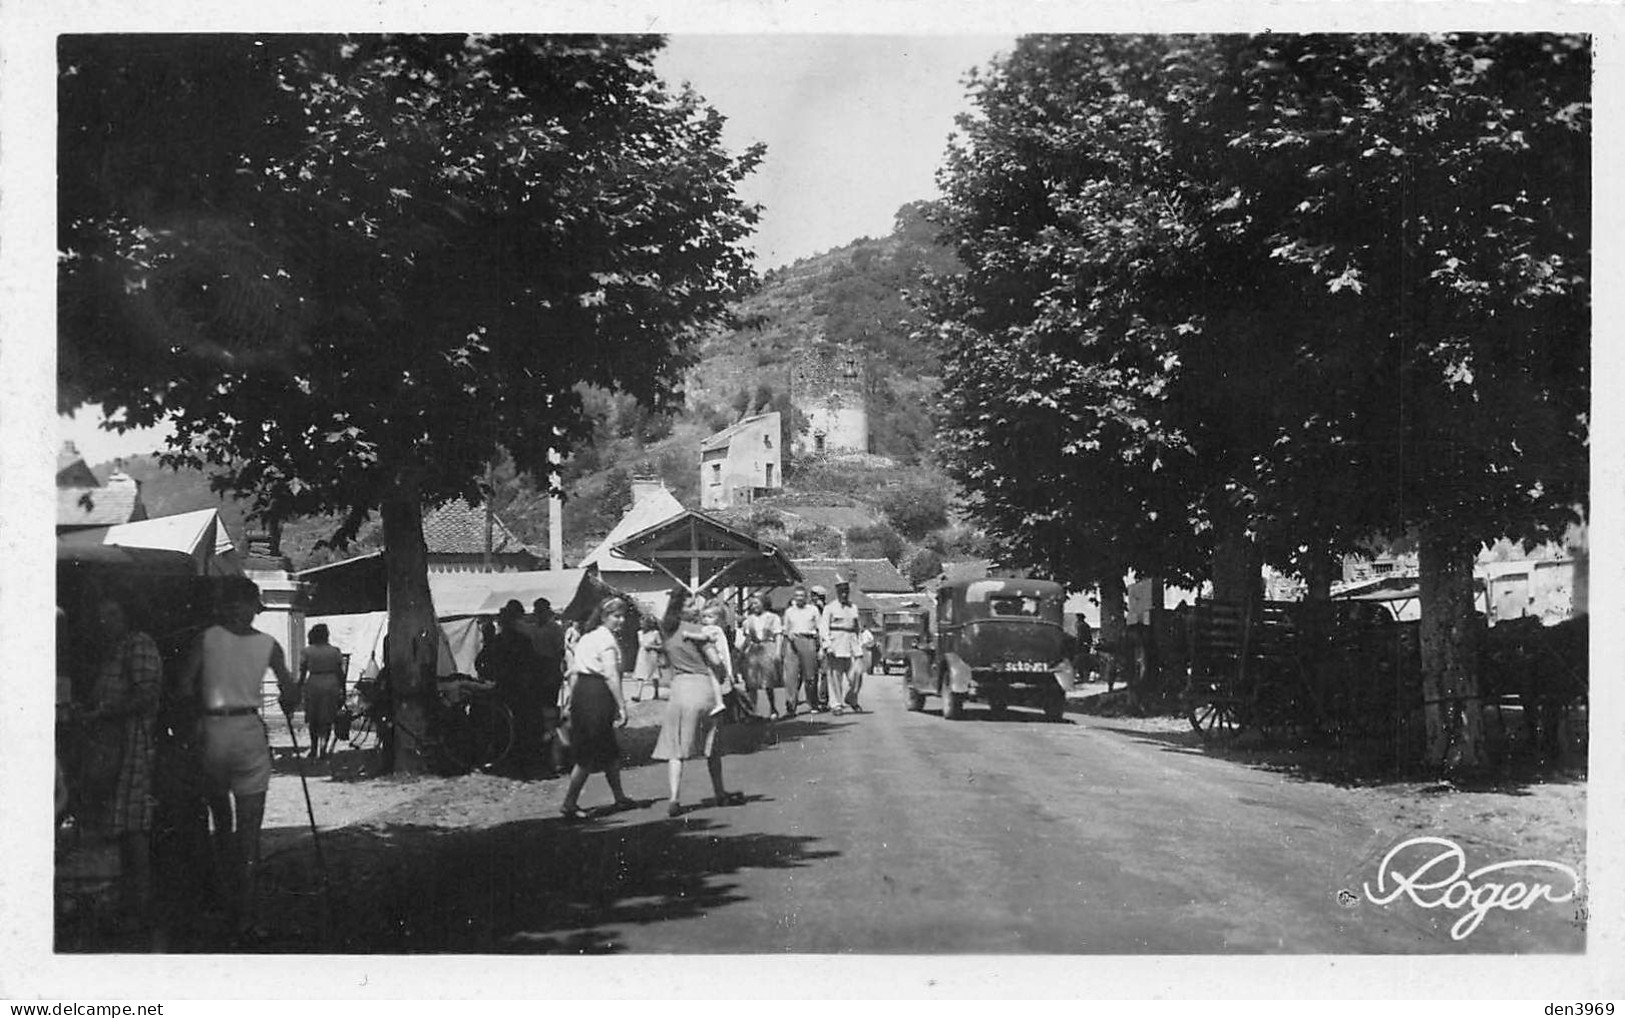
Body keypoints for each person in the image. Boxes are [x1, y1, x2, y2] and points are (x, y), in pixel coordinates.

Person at [175, 576, 298, 940]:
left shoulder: (206, 638)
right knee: (249, 835)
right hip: (247, 732)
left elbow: (182, 686)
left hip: (213, 730)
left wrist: (198, 711)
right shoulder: (269, 644)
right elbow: (290, 694)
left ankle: (216, 896)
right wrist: (290, 700)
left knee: (220, 824)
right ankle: (244, 916)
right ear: (254, 608)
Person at [81, 596, 164, 931]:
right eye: (101, 617)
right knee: (117, 824)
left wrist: (104, 712)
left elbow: (147, 696)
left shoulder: (139, 644)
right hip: (111, 744)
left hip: (133, 743)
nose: (106, 622)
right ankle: (121, 901)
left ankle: (139, 908)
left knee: (134, 827)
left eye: (112, 614)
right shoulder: (115, 649)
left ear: (127, 615)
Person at [651, 589, 745, 817]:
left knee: (676, 750)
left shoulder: (668, 633)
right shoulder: (698, 631)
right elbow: (714, 660)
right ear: (681, 609)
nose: (697, 608)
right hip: (703, 688)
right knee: (713, 748)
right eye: (692, 604)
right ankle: (719, 792)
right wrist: (723, 671)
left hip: (679, 690)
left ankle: (674, 797)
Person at [557, 597, 638, 820]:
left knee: (608, 748)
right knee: (589, 750)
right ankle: (569, 802)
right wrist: (622, 706)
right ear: (604, 616)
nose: (620, 621)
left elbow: (573, 671)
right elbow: (611, 675)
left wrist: (573, 701)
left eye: (623, 616)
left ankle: (619, 796)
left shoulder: (588, 637)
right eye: (616, 616)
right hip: (596, 693)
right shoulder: (605, 641)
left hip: (584, 691)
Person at [487, 600, 546, 775]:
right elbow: (533, 665)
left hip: (504, 687)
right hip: (522, 688)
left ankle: (505, 759)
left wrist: (491, 674)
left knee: (504, 725)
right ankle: (523, 761)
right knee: (523, 725)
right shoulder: (523, 640)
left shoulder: (497, 641)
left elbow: (481, 662)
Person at [298, 624, 346, 760]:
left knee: (313, 718)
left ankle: (313, 748)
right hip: (331, 683)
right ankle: (323, 748)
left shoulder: (307, 651)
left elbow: (302, 673)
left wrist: (298, 688)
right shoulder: (335, 651)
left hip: (313, 683)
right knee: (327, 718)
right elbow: (340, 673)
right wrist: (343, 689)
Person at [736, 593, 785, 720]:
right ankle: (752, 710)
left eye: (756, 603)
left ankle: (773, 707)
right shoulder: (749, 620)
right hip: (753, 649)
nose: (754, 606)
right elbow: (747, 638)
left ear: (764, 603)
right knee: (751, 681)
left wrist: (778, 652)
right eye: (752, 604)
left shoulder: (773, 618)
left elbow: (778, 635)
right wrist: (742, 651)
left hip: (767, 648)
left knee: (768, 681)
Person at [822, 580, 865, 714]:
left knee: (857, 675)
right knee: (835, 677)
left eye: (846, 592)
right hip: (836, 645)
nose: (844, 595)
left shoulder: (853, 607)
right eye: (841, 592)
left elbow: (857, 628)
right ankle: (836, 704)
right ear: (837, 593)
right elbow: (823, 628)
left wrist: (860, 645)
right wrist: (827, 645)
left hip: (852, 644)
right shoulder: (830, 608)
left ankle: (851, 698)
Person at [780, 587, 822, 716]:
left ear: (806, 597)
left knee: (810, 676)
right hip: (792, 641)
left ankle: (813, 703)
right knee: (791, 676)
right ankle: (791, 707)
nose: (799, 598)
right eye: (797, 596)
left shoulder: (813, 610)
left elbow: (820, 628)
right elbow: (784, 628)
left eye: (802, 596)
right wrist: (788, 634)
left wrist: (820, 648)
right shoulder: (789, 611)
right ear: (794, 597)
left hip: (808, 640)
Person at [630, 615, 666, 702]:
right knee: (640, 675)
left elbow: (661, 646)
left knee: (654, 675)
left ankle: (656, 692)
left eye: (643, 623)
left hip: (652, 656)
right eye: (640, 623)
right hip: (642, 655)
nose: (641, 625)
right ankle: (638, 695)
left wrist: (652, 646)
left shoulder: (655, 633)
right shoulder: (639, 633)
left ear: (648, 624)